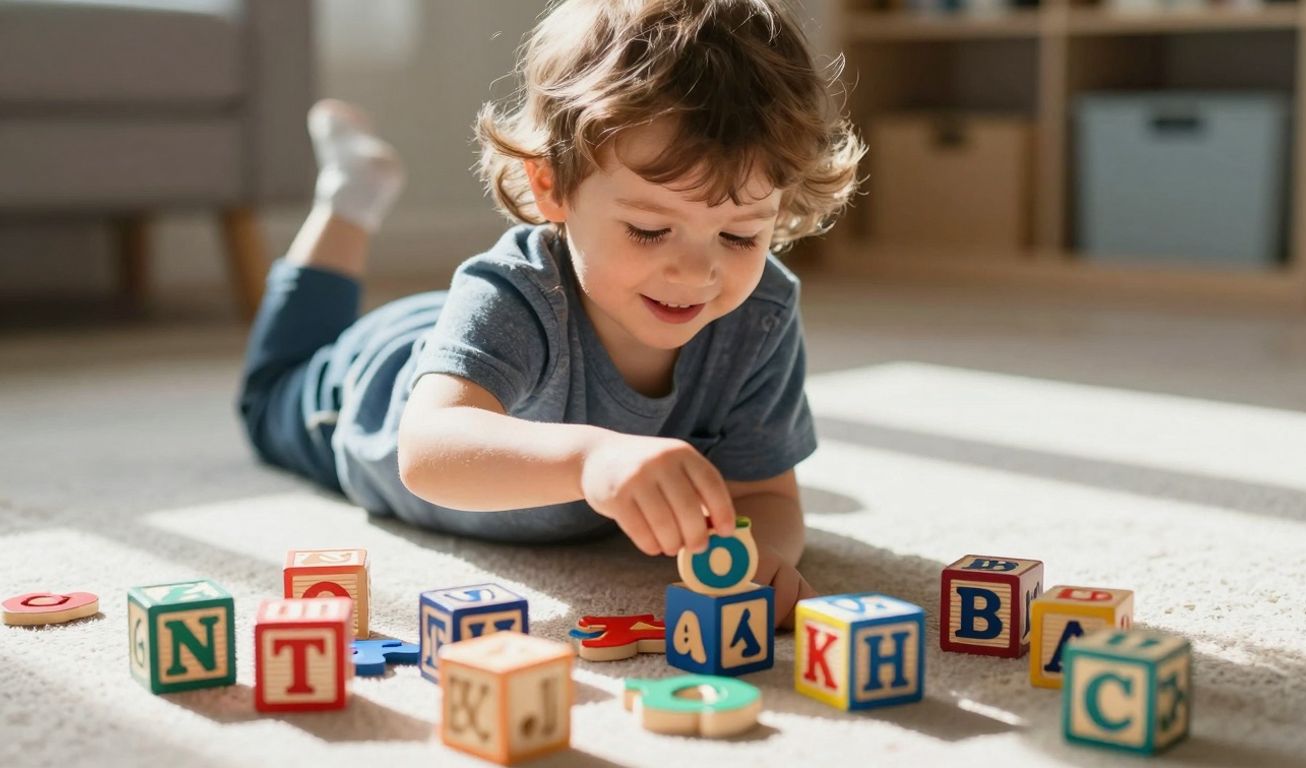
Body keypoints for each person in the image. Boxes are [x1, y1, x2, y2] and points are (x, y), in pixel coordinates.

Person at [237, 0, 865, 627]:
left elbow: (766, 495)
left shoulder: (760, 315)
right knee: (267, 395)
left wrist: (763, 554)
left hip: (481, 339)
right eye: (649, 229)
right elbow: (428, 452)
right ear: (552, 186)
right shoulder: (511, 291)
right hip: (357, 390)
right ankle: (351, 197)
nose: (695, 273)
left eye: (739, 237)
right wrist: (593, 459)